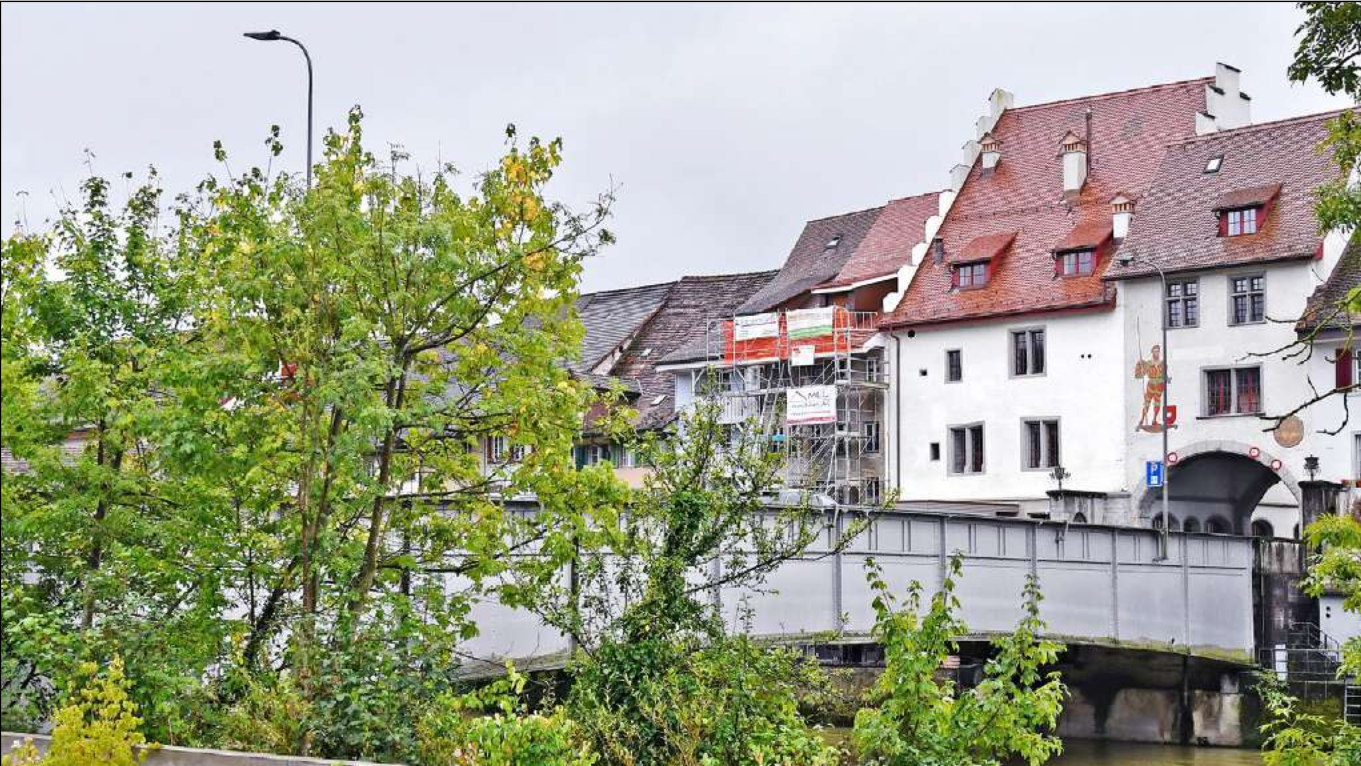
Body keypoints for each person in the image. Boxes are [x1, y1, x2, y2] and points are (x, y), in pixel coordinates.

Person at [1134, 344, 1166, 431]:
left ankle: (1154, 420)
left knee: (1157, 403)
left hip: (1159, 385)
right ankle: (1142, 420)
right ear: (1152, 352)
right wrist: (1139, 366)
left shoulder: (1162, 363)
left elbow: (1164, 375)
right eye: (1155, 351)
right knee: (1147, 403)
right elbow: (1139, 375)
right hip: (1151, 385)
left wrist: (1166, 379)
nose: (1157, 353)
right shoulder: (1148, 363)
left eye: (1158, 351)